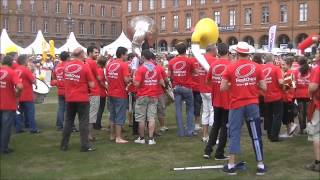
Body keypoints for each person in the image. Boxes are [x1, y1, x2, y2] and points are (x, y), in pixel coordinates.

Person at [221, 42, 267, 175]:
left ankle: (231, 165)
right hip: (252, 104)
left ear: (236, 53)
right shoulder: (257, 67)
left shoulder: (230, 67)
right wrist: (252, 85)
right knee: (256, 134)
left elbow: (223, 87)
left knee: (234, 133)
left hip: (236, 105)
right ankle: (260, 165)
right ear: (248, 53)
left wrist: (233, 85)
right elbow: (264, 88)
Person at [60, 47, 95, 152]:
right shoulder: (85, 67)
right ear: (81, 55)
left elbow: (64, 79)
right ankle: (85, 145)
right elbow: (92, 84)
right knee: (83, 122)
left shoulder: (66, 66)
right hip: (82, 98)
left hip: (70, 97)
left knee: (68, 122)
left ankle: (64, 145)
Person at [203, 43, 230, 160]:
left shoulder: (213, 64)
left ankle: (208, 150)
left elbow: (207, 81)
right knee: (224, 126)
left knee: (216, 124)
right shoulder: (231, 65)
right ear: (228, 52)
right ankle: (219, 153)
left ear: (218, 52)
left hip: (216, 99)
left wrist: (216, 84)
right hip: (227, 100)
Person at [133, 49, 165, 145]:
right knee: (151, 117)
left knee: (141, 118)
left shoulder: (141, 69)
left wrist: (134, 79)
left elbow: (137, 84)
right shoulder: (156, 68)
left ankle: (142, 138)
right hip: (153, 95)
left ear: (143, 57)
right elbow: (162, 82)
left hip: (142, 95)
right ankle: (151, 139)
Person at [168, 42, 196, 137]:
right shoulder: (190, 61)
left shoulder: (171, 61)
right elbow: (194, 72)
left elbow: (169, 75)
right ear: (186, 50)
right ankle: (190, 131)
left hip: (177, 87)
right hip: (187, 87)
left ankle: (180, 132)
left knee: (178, 110)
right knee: (190, 109)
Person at [105, 47, 130, 144]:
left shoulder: (110, 64)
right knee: (120, 115)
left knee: (112, 115)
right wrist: (131, 79)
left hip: (110, 92)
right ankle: (118, 137)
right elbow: (126, 80)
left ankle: (112, 135)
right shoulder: (123, 65)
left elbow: (107, 78)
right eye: (126, 54)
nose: (127, 56)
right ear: (122, 54)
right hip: (120, 93)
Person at [0, 55, 23, 154]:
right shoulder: (11, 72)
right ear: (11, 63)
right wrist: (17, 94)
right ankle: (4, 148)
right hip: (8, 103)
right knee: (6, 127)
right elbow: (20, 86)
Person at [15, 55, 41, 134]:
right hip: (27, 94)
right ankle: (33, 128)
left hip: (18, 95)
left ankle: (19, 128)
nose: (28, 62)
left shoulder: (15, 70)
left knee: (19, 112)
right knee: (30, 112)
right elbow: (33, 80)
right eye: (27, 60)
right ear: (24, 61)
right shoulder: (26, 70)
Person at [261, 54, 284, 141]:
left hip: (266, 96)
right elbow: (281, 82)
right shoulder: (276, 68)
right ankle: (274, 136)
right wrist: (284, 87)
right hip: (277, 96)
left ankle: (269, 135)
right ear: (273, 59)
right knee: (277, 116)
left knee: (268, 116)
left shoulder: (261, 69)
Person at [305, 47, 320, 172]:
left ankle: (318, 162)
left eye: (318, 51)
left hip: (319, 106)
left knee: (317, 134)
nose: (316, 53)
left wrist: (309, 90)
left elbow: (313, 87)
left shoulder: (317, 69)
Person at [199, 44, 217, 142]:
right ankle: (212, 136)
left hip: (202, 88)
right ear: (213, 50)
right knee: (212, 112)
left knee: (205, 112)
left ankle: (205, 135)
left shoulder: (200, 59)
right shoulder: (214, 60)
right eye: (216, 50)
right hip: (210, 89)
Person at [51, 51, 70, 131]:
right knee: (68, 109)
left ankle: (59, 125)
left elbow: (53, 78)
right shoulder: (68, 66)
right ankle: (69, 125)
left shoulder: (57, 66)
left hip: (60, 90)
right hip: (67, 90)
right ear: (67, 57)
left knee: (61, 108)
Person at [86, 46, 101, 141]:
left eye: (97, 52)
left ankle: (87, 135)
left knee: (87, 114)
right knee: (92, 115)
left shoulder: (85, 62)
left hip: (87, 92)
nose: (97, 54)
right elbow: (99, 77)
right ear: (90, 53)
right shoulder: (92, 63)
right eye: (95, 52)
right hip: (94, 91)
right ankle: (89, 136)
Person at [281, 57, 298, 137]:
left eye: (284, 65)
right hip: (289, 97)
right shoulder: (290, 73)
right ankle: (290, 132)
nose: (282, 66)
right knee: (288, 115)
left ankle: (291, 127)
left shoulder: (288, 73)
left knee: (287, 116)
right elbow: (293, 86)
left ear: (288, 65)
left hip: (287, 98)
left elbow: (285, 87)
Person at [295, 56, 311, 134]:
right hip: (309, 94)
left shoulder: (295, 71)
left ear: (299, 63)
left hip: (299, 94)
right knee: (308, 112)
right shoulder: (311, 70)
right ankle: (308, 129)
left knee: (301, 112)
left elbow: (292, 84)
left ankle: (302, 129)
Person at [95, 56, 108, 130]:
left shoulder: (97, 69)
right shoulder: (100, 70)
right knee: (100, 109)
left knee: (97, 109)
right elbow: (100, 80)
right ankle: (97, 125)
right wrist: (106, 87)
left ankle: (96, 124)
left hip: (98, 91)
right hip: (101, 92)